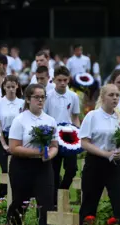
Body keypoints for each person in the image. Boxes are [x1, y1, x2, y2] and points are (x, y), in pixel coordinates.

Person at [78, 84, 120, 225]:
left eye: (117, 95)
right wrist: (104, 153)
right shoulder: (93, 116)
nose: (115, 98)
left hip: (115, 164)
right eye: (111, 95)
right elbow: (84, 142)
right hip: (95, 164)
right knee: (89, 204)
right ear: (102, 97)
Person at [6, 84, 58, 225]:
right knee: (20, 202)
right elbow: (13, 147)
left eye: (43, 97)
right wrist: (38, 152)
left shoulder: (50, 120)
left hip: (43, 166)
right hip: (22, 166)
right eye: (37, 97)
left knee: (46, 202)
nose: (40, 100)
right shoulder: (20, 120)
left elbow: (55, 145)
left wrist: (49, 155)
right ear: (28, 99)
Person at [44, 66, 81, 204]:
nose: (62, 83)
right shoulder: (47, 96)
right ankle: (54, 201)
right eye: (59, 80)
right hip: (53, 136)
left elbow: (75, 117)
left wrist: (78, 133)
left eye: (65, 80)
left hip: (69, 136)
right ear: (54, 80)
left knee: (72, 169)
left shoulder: (73, 96)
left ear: (69, 79)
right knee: (53, 170)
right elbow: (45, 117)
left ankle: (62, 191)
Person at [0, 75, 24, 199]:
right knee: (5, 168)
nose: (11, 89)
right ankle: (3, 195)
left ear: (17, 87)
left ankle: (17, 194)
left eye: (13, 86)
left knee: (17, 168)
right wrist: (4, 144)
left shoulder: (21, 103)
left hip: (18, 138)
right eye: (8, 87)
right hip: (3, 137)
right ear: (4, 87)